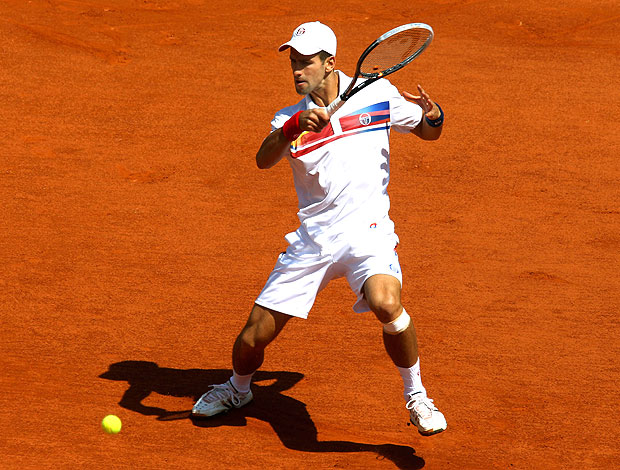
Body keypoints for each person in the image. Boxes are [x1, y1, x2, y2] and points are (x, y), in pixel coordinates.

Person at [192, 21, 447, 436]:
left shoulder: (375, 94)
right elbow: (263, 159)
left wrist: (435, 114)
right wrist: (293, 128)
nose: (297, 70)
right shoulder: (289, 118)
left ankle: (417, 396)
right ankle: (239, 389)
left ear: (330, 63)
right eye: (293, 62)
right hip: (314, 241)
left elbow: (428, 130)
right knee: (253, 339)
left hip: (369, 232)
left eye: (305, 63)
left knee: (386, 304)